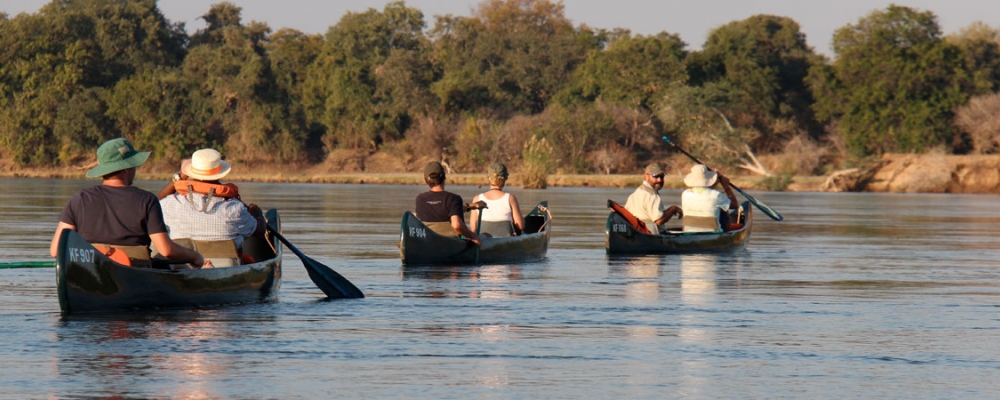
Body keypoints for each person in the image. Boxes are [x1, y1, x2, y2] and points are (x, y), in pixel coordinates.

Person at [49, 138, 208, 268]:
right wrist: (195, 256)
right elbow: (166, 250)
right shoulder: (146, 200)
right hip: (135, 274)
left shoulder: (79, 198)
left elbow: (56, 250)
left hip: (92, 272)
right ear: (126, 169)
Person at [157, 148, 266, 263]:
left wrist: (178, 177)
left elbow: (155, 205)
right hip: (226, 271)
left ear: (189, 174)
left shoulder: (172, 204)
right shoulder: (235, 208)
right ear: (219, 175)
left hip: (184, 269)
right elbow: (259, 230)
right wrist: (258, 215)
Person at [414, 161, 481, 245]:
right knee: (484, 236)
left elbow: (441, 209)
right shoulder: (454, 199)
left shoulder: (420, 199)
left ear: (425, 180)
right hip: (452, 244)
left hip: (428, 244)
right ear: (444, 177)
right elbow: (456, 225)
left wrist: (470, 207)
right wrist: (473, 237)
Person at [624, 163, 682, 234]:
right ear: (646, 177)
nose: (659, 180)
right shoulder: (652, 195)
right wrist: (673, 209)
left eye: (662, 176)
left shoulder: (635, 193)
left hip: (636, 232)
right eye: (655, 176)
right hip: (649, 235)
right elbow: (658, 221)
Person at [470, 163, 525, 237]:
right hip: (506, 241)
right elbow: (520, 226)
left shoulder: (476, 199)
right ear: (505, 179)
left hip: (484, 242)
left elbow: (473, 229)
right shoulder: (511, 198)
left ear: (489, 178)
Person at [681, 164, 739, 232]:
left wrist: (715, 181)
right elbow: (734, 205)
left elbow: (705, 192)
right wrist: (726, 186)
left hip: (688, 231)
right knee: (724, 208)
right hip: (713, 232)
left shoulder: (685, 194)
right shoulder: (716, 195)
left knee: (721, 205)